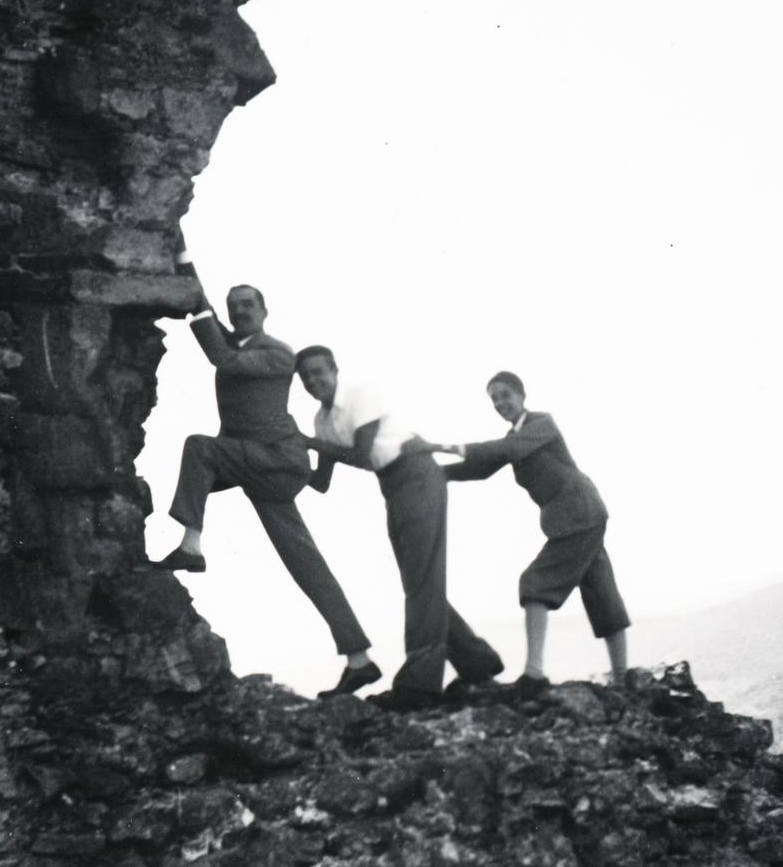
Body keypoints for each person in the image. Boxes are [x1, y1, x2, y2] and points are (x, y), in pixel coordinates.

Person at [153, 281, 381, 698]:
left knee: (199, 449)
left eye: (247, 304)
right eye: (233, 306)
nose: (240, 311)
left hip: (278, 461)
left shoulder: (277, 353)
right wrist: (184, 266)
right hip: (253, 463)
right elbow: (208, 314)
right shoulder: (238, 344)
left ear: (264, 310)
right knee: (306, 564)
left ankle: (191, 547)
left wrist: (201, 311)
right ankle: (359, 660)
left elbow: (220, 355)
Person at [294, 345, 503, 707]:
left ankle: (419, 686)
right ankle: (477, 664)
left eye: (318, 372)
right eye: (305, 377)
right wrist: (285, 452)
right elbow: (321, 482)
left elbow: (361, 456)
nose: (313, 381)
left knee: (421, 581)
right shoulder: (321, 420)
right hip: (391, 485)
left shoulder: (359, 395)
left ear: (334, 370)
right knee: (418, 582)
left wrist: (309, 443)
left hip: (417, 474)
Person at [429, 371, 630, 690]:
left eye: (505, 395)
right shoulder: (514, 436)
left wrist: (439, 446)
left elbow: (504, 450)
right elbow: (481, 467)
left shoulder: (541, 424)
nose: (500, 403)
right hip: (581, 516)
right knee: (601, 590)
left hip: (578, 515)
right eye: (494, 399)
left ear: (522, 395)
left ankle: (534, 672)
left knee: (535, 583)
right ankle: (622, 679)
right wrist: (431, 472)